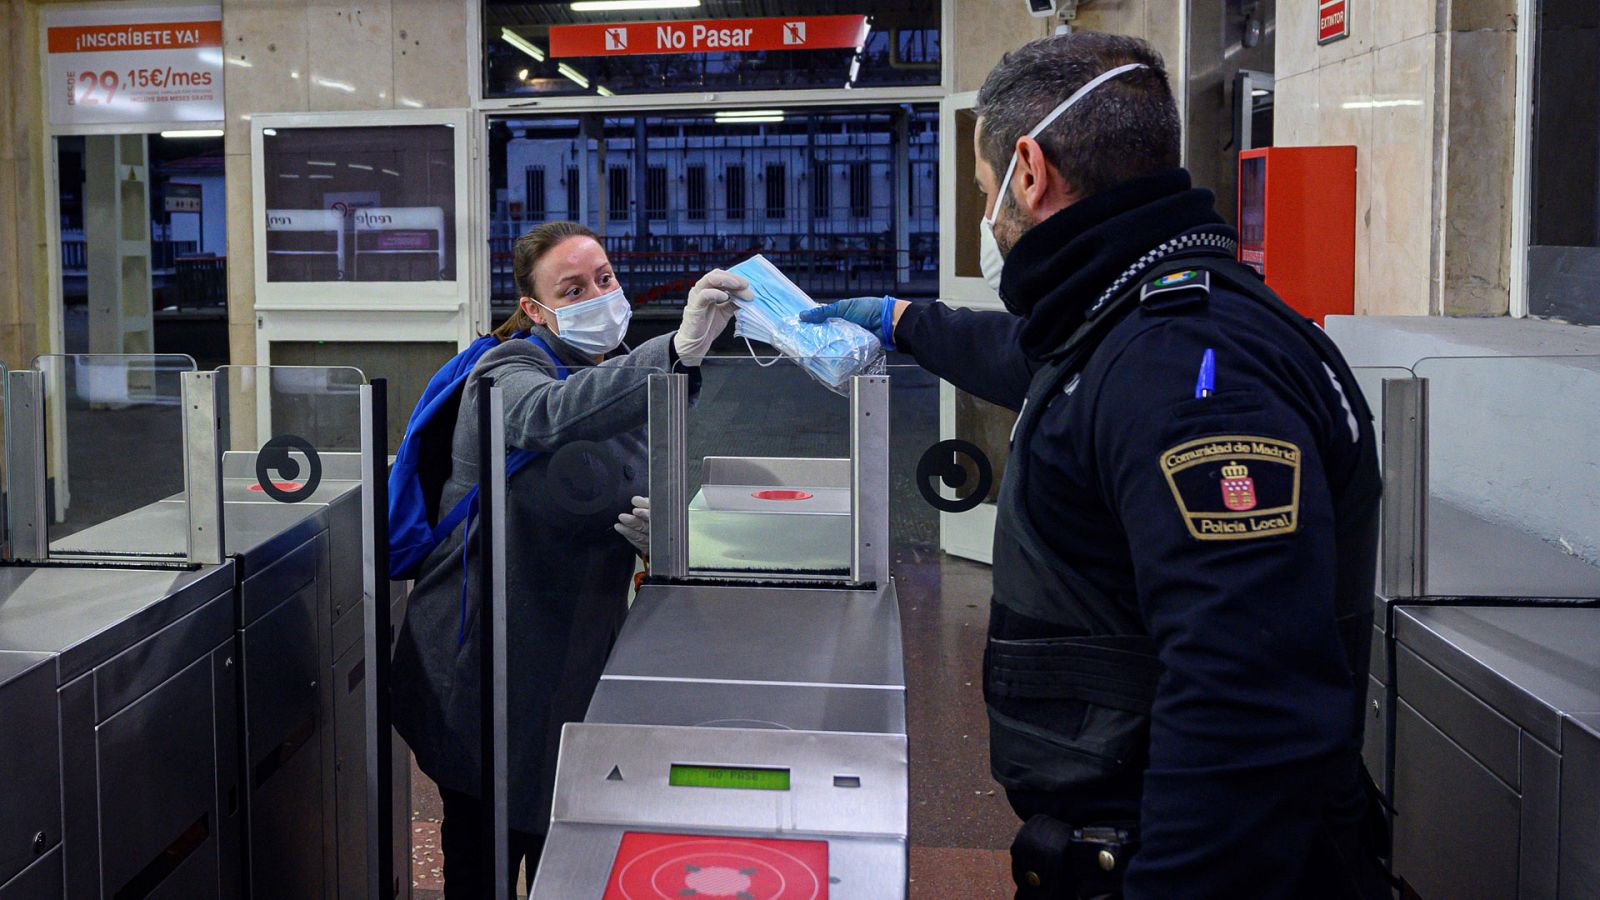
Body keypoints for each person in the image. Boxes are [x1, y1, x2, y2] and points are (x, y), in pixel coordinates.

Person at [805, 33, 1389, 899]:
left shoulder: (1192, 371)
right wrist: (901, 319)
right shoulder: (1139, 318)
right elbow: (1048, 365)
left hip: (1172, 858)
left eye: (982, 188)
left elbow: (1247, 699)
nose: (987, 215)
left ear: (1028, 172)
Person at [390, 221, 748, 897]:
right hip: (482, 669)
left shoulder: (617, 377)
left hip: (572, 656)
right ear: (534, 308)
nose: (597, 295)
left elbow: (631, 461)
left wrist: (661, 539)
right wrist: (674, 350)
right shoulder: (505, 372)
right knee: (487, 844)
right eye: (573, 288)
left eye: (605, 279)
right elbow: (555, 414)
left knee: (564, 840)